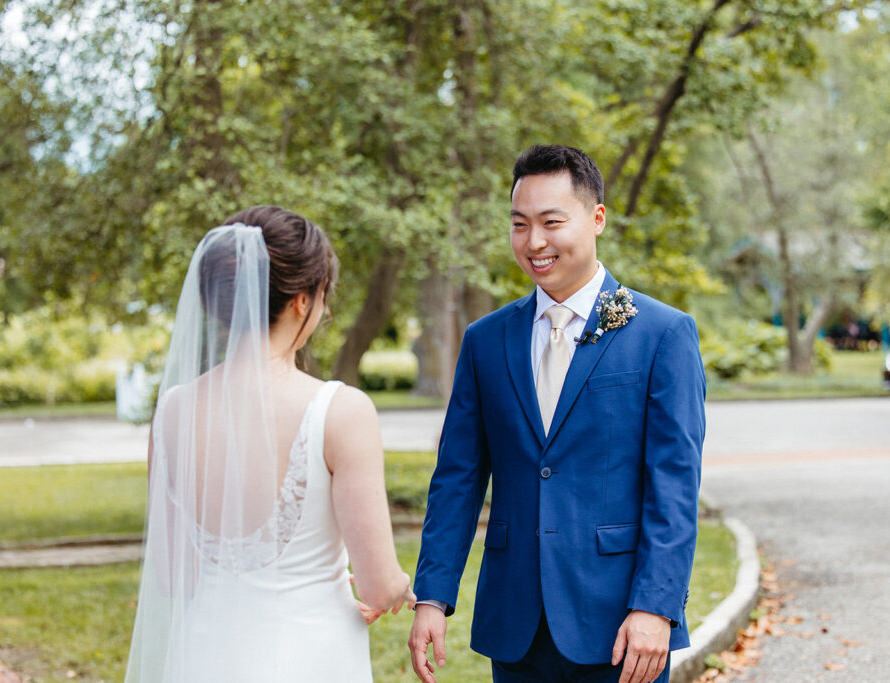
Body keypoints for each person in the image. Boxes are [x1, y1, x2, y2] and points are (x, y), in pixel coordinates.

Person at [408, 145, 705, 683]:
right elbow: (458, 477)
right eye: (519, 225)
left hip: (622, 625)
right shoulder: (486, 341)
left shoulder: (663, 334)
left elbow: (675, 484)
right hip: (515, 621)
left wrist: (656, 607)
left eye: (551, 222)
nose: (534, 242)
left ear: (597, 219)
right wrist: (432, 594)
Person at [125, 206, 415, 682]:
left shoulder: (173, 410)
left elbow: (173, 573)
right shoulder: (340, 410)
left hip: (202, 655)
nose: (326, 310)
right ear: (302, 300)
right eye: (324, 296)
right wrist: (403, 588)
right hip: (311, 657)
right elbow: (379, 584)